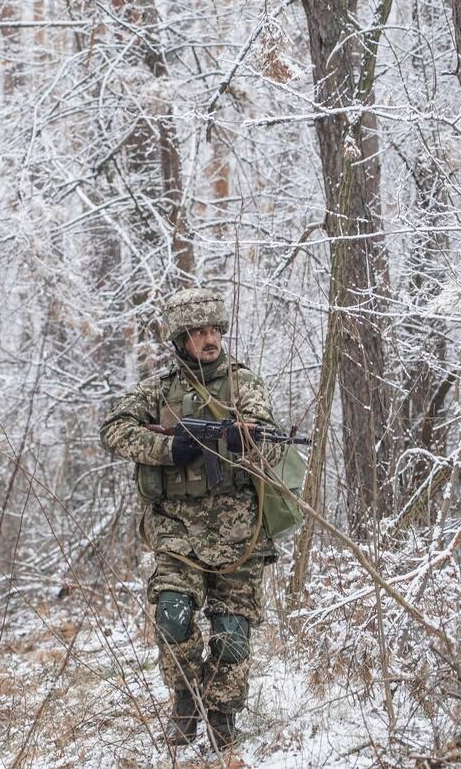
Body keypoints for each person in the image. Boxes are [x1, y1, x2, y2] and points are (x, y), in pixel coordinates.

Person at [99, 288, 284, 749]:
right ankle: (184, 700)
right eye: (199, 332)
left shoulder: (244, 385)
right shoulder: (159, 390)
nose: (209, 339)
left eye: (214, 331)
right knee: (174, 615)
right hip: (175, 531)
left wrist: (249, 443)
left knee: (232, 631)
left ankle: (221, 716)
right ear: (181, 339)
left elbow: (274, 440)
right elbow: (113, 430)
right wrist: (167, 448)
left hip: (239, 531)